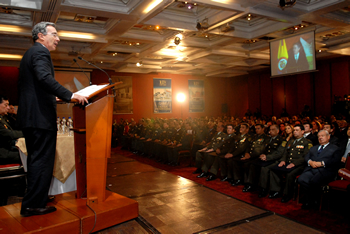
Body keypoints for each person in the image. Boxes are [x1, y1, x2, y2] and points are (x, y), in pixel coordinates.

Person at [17, 22, 88, 217]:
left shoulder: (30, 53)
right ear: (41, 36)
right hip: (39, 118)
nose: (58, 39)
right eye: (54, 34)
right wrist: (70, 95)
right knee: (42, 161)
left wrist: (53, 97)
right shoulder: (40, 53)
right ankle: (32, 205)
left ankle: (34, 201)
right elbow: (44, 78)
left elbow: (35, 87)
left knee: (36, 161)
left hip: (31, 116)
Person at [298, 130, 342, 209]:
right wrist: (310, 162)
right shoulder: (314, 147)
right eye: (319, 136)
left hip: (325, 170)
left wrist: (322, 163)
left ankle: (313, 201)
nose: (320, 138)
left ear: (328, 137)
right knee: (302, 179)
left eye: (322, 136)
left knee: (314, 181)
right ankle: (311, 200)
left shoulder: (335, 148)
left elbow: (336, 160)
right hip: (311, 169)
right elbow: (307, 156)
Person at [268, 124, 312, 203]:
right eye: (294, 130)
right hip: (288, 162)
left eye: (297, 130)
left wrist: (295, 163)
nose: (295, 132)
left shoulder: (307, 142)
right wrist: (283, 160)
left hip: (299, 165)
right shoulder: (291, 141)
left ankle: (287, 194)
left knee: (290, 174)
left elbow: (306, 156)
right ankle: (276, 190)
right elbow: (285, 152)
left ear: (302, 132)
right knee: (273, 170)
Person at [0, 95, 23, 165]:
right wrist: (27, 133)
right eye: (5, 105)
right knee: (29, 155)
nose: (8, 107)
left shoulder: (4, 118)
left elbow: (14, 128)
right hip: (3, 152)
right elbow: (9, 134)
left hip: (8, 148)